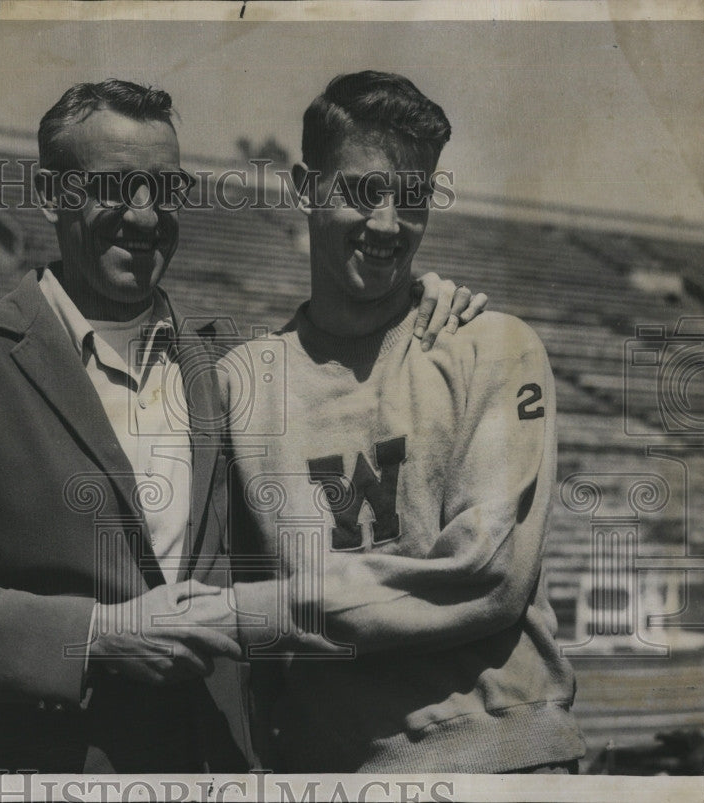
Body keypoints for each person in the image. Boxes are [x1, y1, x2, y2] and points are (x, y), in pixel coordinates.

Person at [0, 78, 479, 774]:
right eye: (116, 186)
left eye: (166, 189)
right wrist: (93, 636)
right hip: (45, 771)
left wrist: (417, 301)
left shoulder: (228, 370)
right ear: (53, 193)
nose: (145, 216)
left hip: (212, 766)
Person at [225, 71, 587, 774]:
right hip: (329, 768)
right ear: (305, 189)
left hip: (500, 764)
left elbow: (485, 575)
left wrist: (248, 613)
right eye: (363, 192)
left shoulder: (492, 346)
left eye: (413, 197)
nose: (389, 224)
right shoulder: (244, 385)